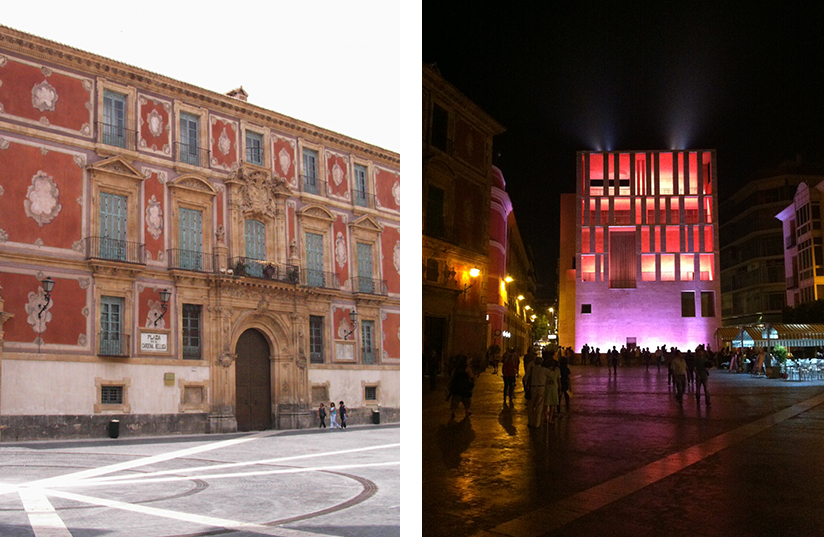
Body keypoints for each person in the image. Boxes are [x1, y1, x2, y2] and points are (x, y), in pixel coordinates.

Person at [448, 355, 476, 420]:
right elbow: (471, 377)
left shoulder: (456, 369)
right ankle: (467, 410)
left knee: (455, 400)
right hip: (466, 388)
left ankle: (453, 411)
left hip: (457, 388)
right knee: (466, 400)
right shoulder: (467, 369)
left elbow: (452, 377)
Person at [527, 356, 547, 428]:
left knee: (530, 406)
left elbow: (525, 378)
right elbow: (552, 375)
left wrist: (526, 387)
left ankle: (530, 422)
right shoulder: (544, 370)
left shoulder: (532, 370)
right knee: (539, 407)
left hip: (532, 388)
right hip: (541, 388)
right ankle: (537, 424)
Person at [544, 358, 561, 424]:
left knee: (546, 404)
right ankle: (550, 419)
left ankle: (545, 418)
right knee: (552, 404)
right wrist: (560, 388)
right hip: (554, 387)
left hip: (546, 387)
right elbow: (558, 380)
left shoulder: (545, 370)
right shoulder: (557, 370)